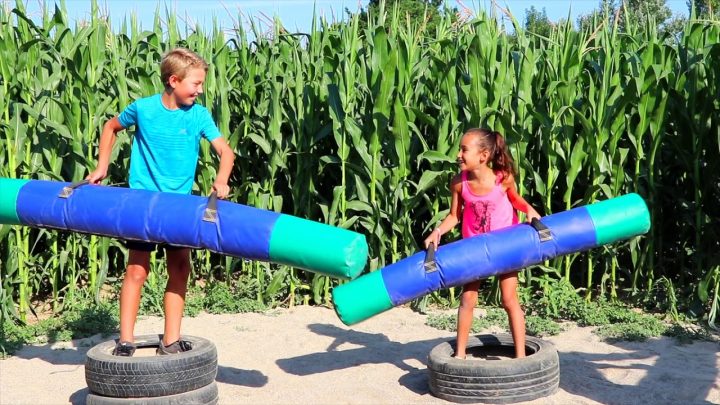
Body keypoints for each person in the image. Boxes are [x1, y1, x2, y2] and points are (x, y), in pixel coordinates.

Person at [86, 48, 235, 356]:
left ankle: (171, 340)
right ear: (174, 80)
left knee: (180, 267)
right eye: (195, 84)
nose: (200, 90)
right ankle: (126, 340)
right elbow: (111, 127)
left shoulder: (199, 115)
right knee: (137, 271)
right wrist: (102, 166)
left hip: (178, 208)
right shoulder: (143, 109)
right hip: (142, 204)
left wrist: (221, 180)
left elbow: (226, 152)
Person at [423, 128, 540, 359]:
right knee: (468, 299)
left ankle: (521, 358)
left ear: (483, 156)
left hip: (505, 246)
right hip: (474, 250)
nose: (458, 154)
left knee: (509, 299)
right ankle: (460, 355)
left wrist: (529, 210)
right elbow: (454, 216)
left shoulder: (502, 178)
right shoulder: (459, 183)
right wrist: (437, 232)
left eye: (464, 150)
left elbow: (516, 200)